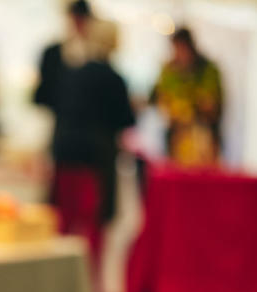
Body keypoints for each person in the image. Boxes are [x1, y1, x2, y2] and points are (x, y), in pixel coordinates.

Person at [34, 0, 135, 235]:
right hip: (95, 158)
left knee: (64, 221)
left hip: (66, 152)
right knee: (91, 225)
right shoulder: (112, 77)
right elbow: (125, 119)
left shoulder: (74, 74)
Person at [151, 27, 223, 166]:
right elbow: (162, 100)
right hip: (176, 135)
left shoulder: (208, 70)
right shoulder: (169, 70)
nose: (179, 53)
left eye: (182, 48)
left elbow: (210, 104)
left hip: (203, 134)